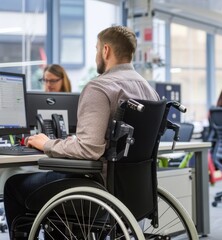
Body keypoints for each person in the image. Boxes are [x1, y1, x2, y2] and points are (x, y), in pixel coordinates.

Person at [4, 25, 159, 239]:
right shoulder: (149, 91)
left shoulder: (99, 87)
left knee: (13, 185)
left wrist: (46, 144)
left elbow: (89, 149)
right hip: (134, 192)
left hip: (98, 190)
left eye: (96, 49)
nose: (96, 55)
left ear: (105, 50)